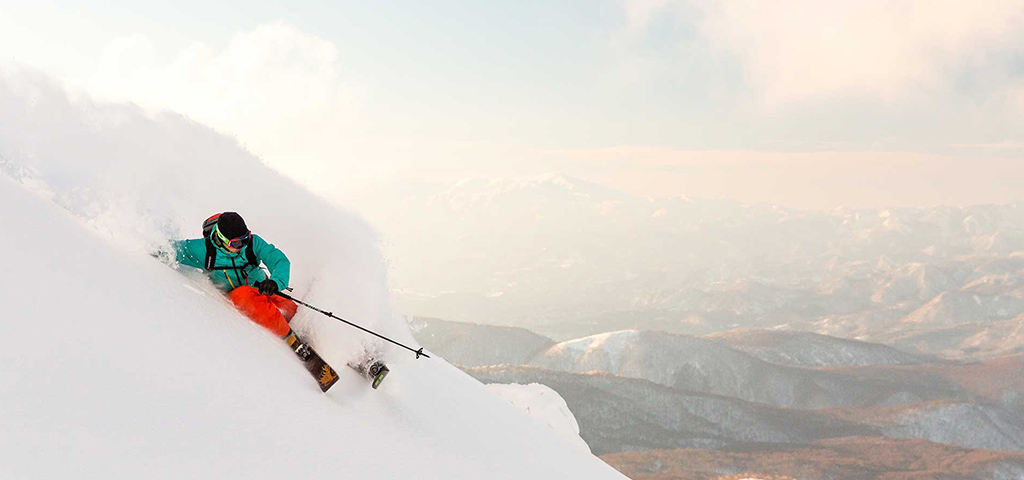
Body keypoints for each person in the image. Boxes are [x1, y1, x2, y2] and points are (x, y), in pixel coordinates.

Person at [171, 212, 306, 351]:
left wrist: (275, 282)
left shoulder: (253, 243)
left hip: (262, 288)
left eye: (245, 238)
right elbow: (172, 249)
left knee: (291, 311)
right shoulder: (204, 250)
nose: (243, 245)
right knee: (245, 295)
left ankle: (308, 335)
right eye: (236, 243)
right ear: (222, 239)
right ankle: (289, 339)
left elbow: (278, 260)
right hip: (238, 298)